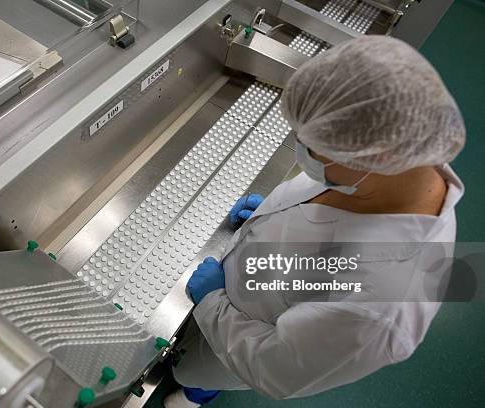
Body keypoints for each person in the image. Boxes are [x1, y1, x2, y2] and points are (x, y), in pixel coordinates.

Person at [164, 35, 466, 408]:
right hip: (247, 282)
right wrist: (272, 215)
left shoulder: (380, 310)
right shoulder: (401, 152)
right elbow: (327, 196)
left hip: (237, 337)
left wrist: (213, 304)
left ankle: (198, 394)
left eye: (312, 147)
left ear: (373, 160)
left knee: (200, 368)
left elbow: (272, 367)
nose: (302, 151)